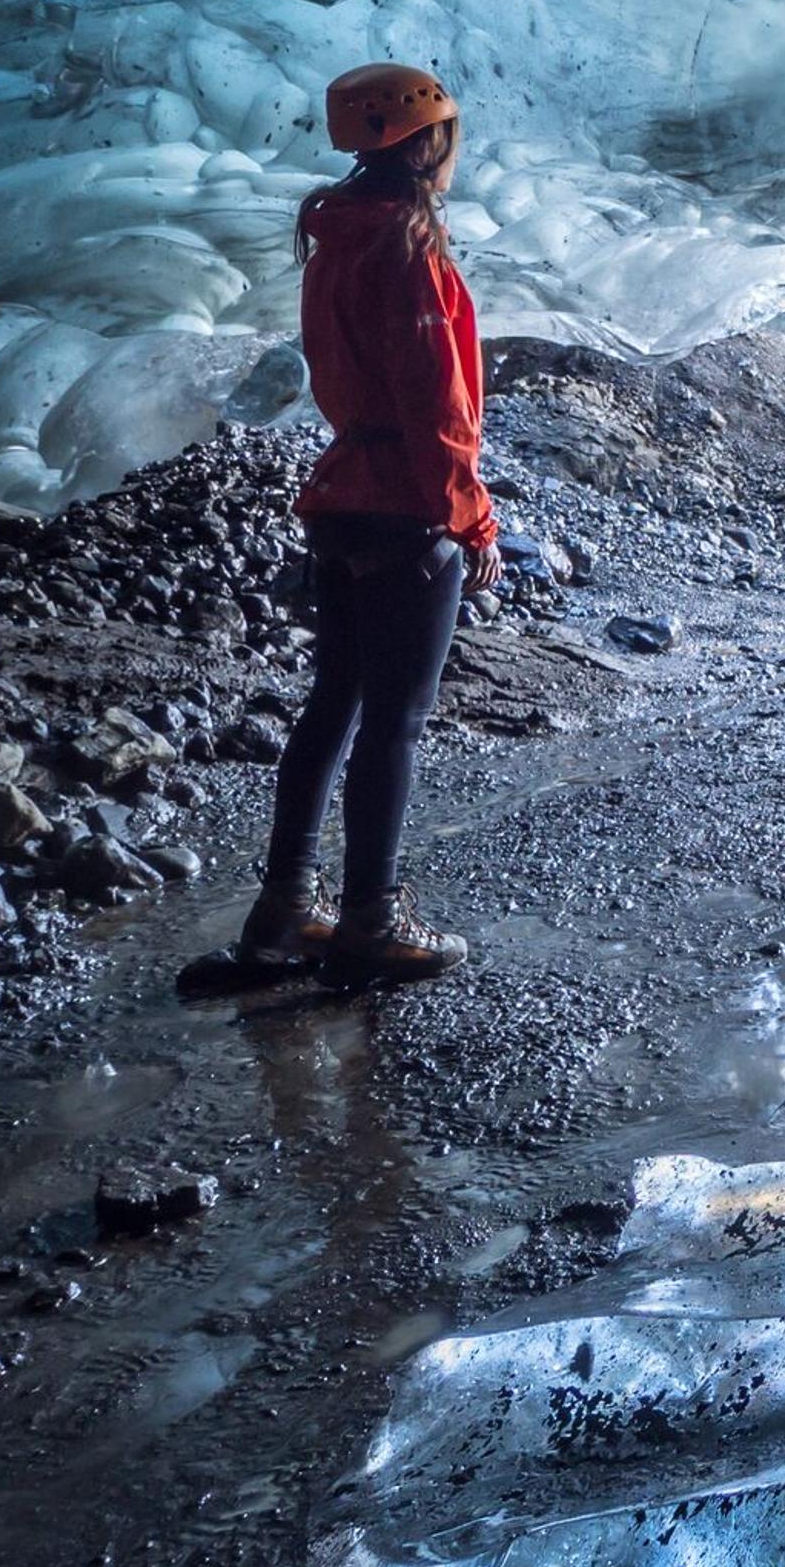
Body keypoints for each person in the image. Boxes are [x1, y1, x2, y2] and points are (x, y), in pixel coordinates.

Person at [243, 61, 497, 985]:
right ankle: (371, 922)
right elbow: (438, 405)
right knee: (395, 721)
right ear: (427, 143)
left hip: (343, 492)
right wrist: (469, 519)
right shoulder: (410, 248)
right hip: (403, 507)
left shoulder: (336, 235)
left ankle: (282, 908)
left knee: (334, 703)